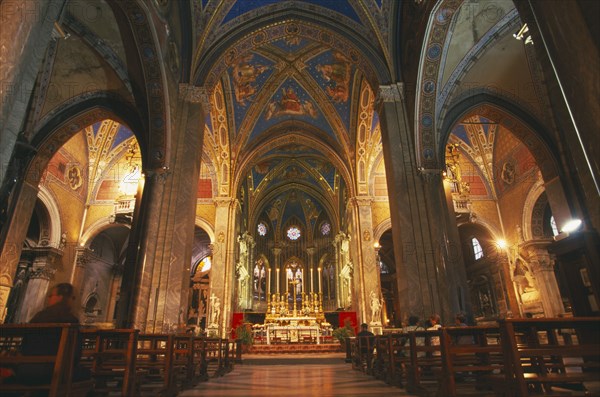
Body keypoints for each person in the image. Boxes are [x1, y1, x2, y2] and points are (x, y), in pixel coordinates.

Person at [17, 283, 90, 385]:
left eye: (50, 296)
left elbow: (24, 347)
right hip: (57, 372)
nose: (48, 299)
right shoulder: (70, 320)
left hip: (26, 370)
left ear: (60, 297)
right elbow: (75, 354)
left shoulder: (37, 317)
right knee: (88, 373)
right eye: (72, 298)